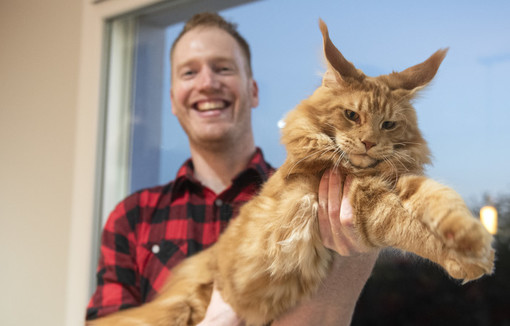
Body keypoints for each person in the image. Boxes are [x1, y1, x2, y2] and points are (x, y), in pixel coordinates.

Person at [86, 12, 379, 325]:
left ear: (253, 91)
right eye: (189, 73)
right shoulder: (132, 218)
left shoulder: (311, 201)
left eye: (223, 68)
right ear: (173, 100)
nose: (207, 83)